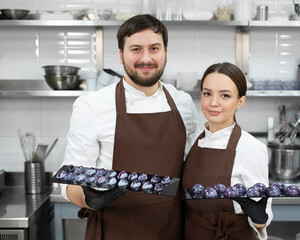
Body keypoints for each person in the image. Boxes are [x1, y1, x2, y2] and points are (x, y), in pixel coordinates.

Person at [60, 14, 199, 240]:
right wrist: (88, 197)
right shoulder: (91, 106)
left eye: (154, 48)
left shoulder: (183, 103)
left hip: (172, 229)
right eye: (136, 49)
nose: (146, 58)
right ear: (121, 55)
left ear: (165, 53)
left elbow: (193, 170)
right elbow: (69, 183)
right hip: (115, 230)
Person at [182, 62, 273, 240]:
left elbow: (262, 216)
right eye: (207, 93)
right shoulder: (190, 142)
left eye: (225, 95)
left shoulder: (251, 148)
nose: (213, 103)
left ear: (240, 102)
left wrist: (259, 217)